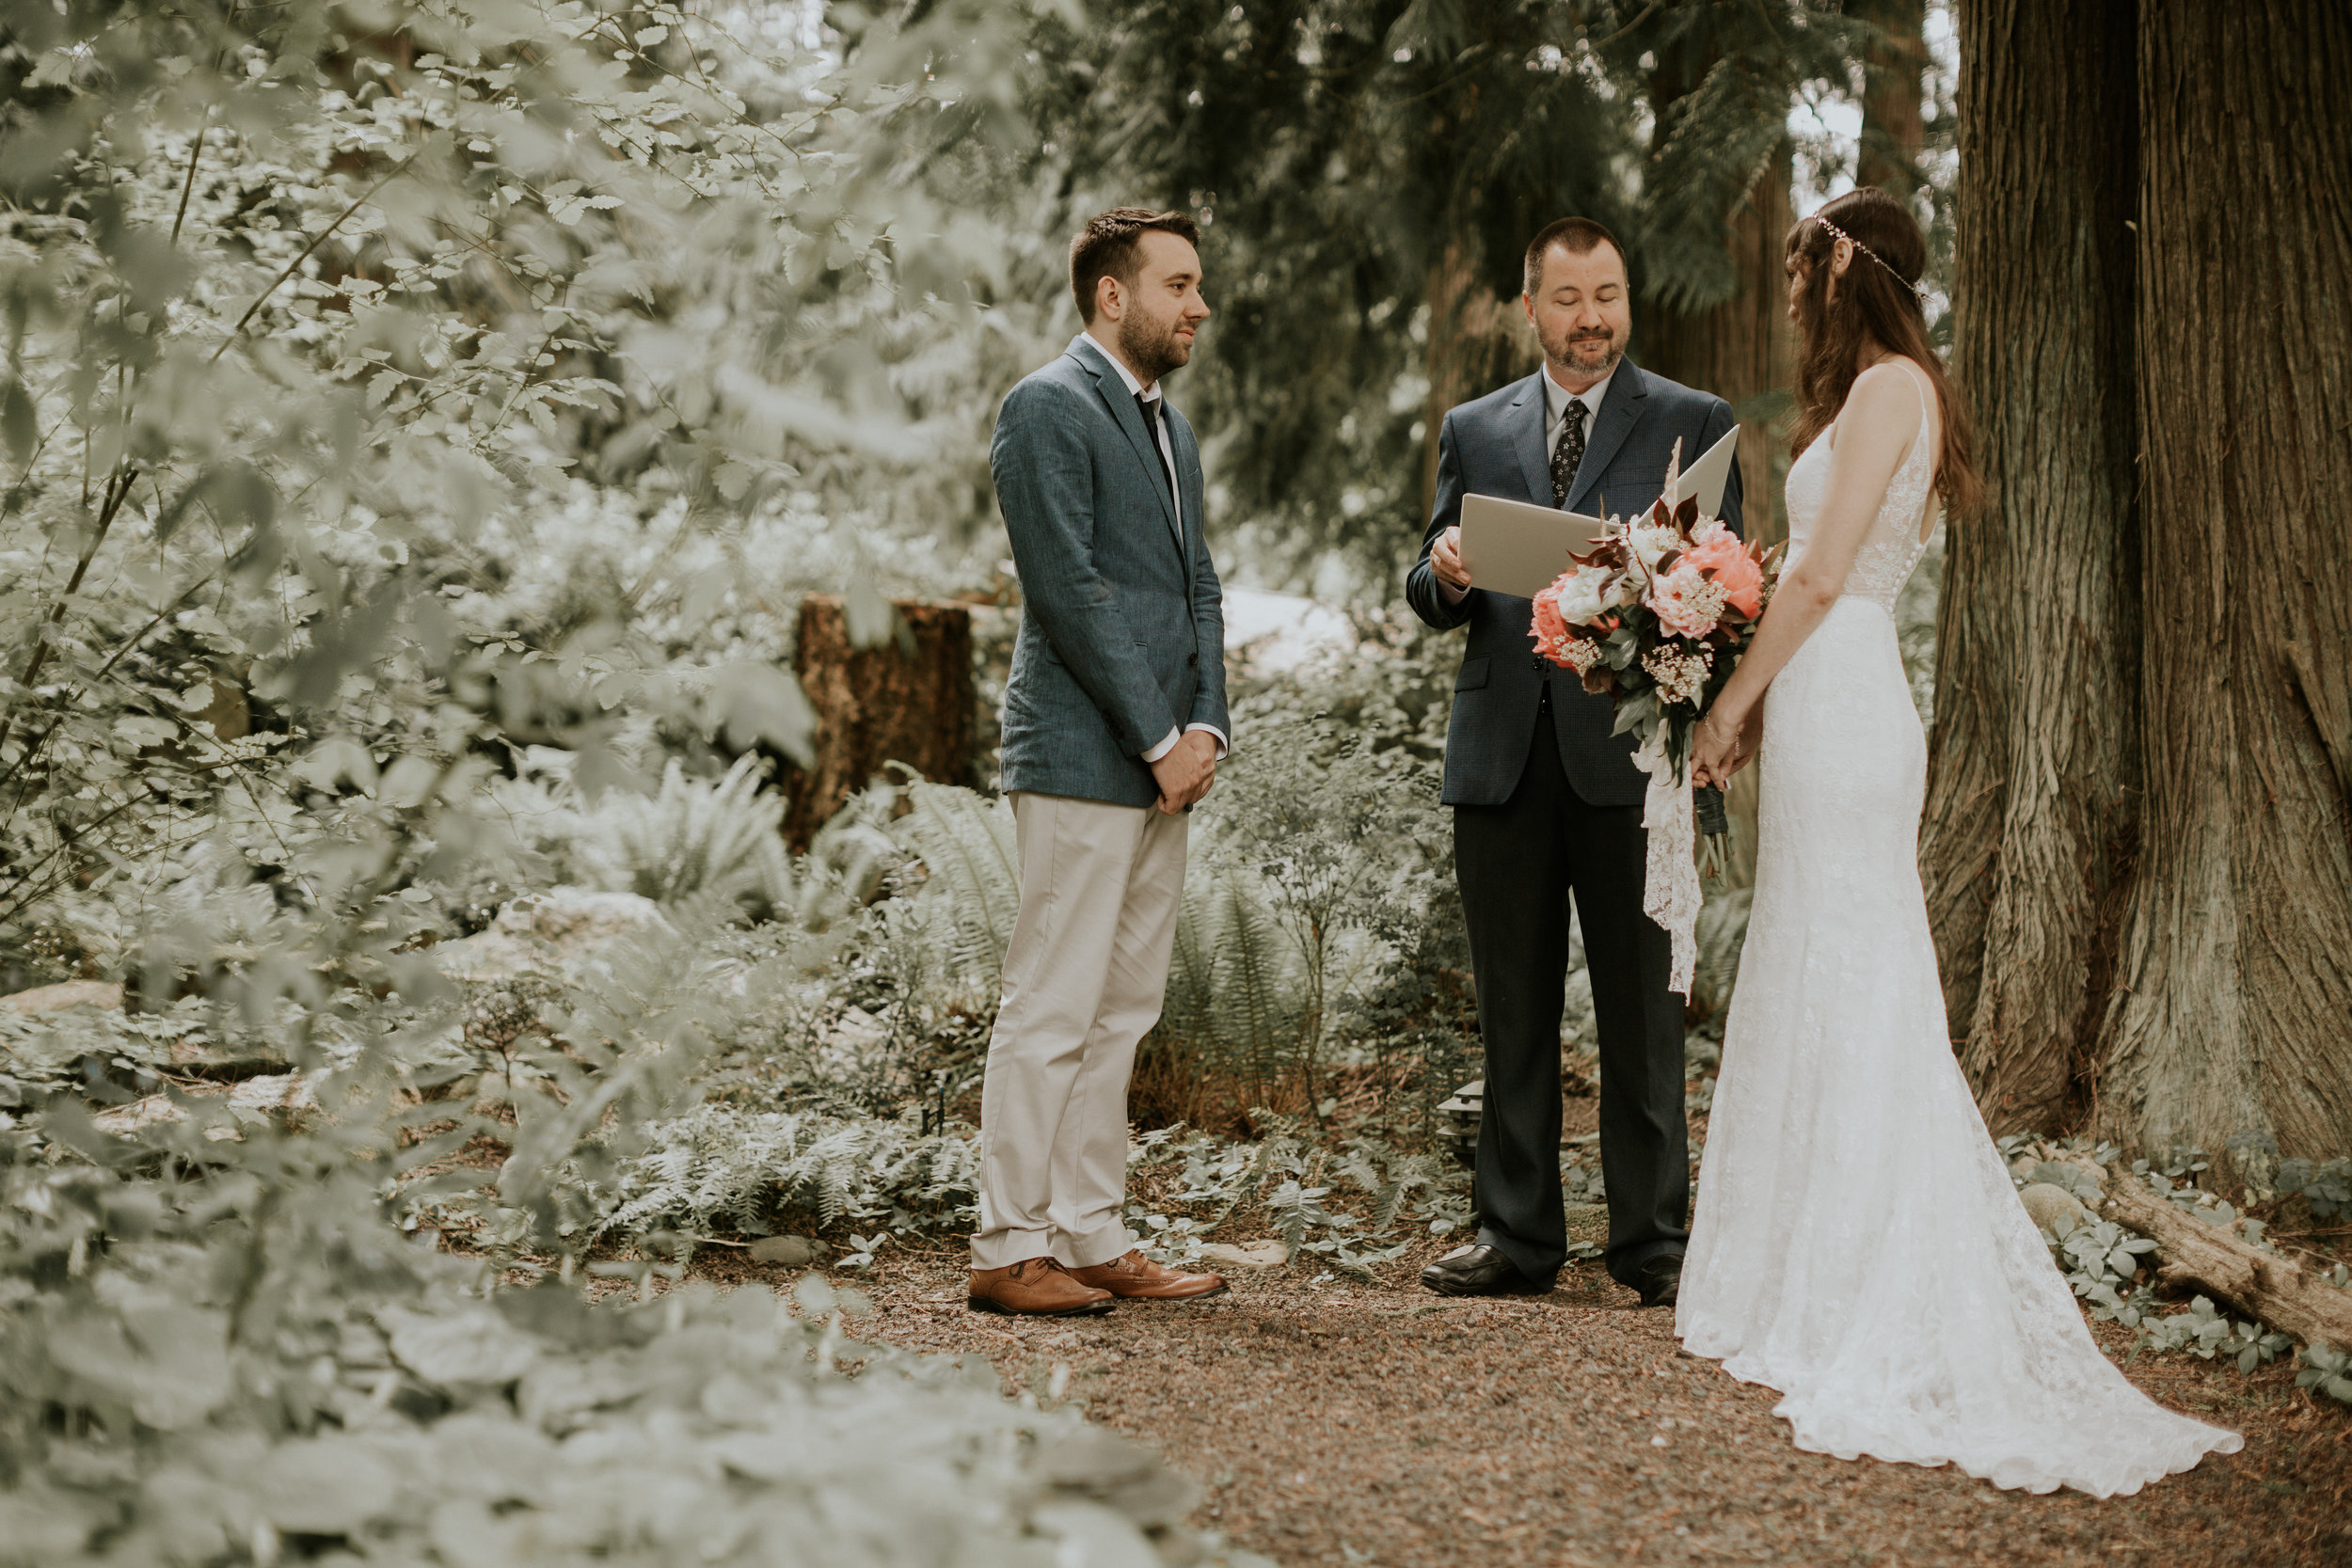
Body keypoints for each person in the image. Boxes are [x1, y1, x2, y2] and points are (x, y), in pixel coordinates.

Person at [1677, 186, 2240, 1493]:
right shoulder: (1874, 391)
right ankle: (1808, 1258)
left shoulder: (1890, 393)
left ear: (1844, 271)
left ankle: (1876, 1264)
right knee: (1816, 947)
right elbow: (1798, 575)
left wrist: (1730, 700)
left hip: (1849, 686)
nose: (1793, 292)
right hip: (1826, 689)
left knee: (1859, 956)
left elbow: (1820, 578)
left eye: (1803, 269)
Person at [1406, 218, 1741, 1307]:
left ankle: (1653, 1240)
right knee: (1513, 1006)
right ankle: (1514, 1235)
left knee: (1644, 1011)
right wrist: (1448, 570)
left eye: (1607, 294)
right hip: (1502, 753)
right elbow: (1427, 580)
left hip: (1631, 758)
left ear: (1626, 300)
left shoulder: (1692, 421)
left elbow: (1725, 590)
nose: (1590, 317)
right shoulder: (1473, 424)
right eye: (1567, 297)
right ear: (1529, 306)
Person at [967, 208, 1234, 1317]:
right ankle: (1004, 1242)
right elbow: (1068, 590)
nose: (1198, 304)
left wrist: (1208, 726)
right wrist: (1158, 736)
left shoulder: (1168, 427)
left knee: (1122, 1007)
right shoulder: (1044, 406)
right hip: (1084, 754)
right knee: (1052, 1004)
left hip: (1167, 762)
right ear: (1111, 295)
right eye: (1178, 283)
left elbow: (1199, 588)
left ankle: (1087, 1231)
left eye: (1198, 283)